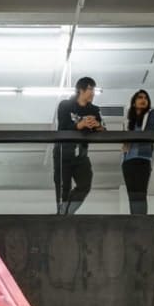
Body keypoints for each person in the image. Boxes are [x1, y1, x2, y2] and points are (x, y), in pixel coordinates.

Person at [54, 76, 106, 215]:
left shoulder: (94, 110)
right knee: (63, 188)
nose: (93, 93)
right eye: (90, 89)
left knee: (85, 184)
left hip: (81, 154)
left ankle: (66, 214)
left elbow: (103, 130)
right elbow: (63, 127)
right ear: (80, 90)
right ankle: (62, 216)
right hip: (63, 152)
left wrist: (97, 126)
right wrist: (79, 124)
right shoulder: (65, 105)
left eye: (94, 89)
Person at [122, 89, 154, 215]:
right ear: (134, 102)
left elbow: (151, 130)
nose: (143, 100)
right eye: (140, 97)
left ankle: (142, 222)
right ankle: (134, 220)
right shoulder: (128, 119)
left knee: (141, 193)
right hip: (127, 160)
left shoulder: (150, 113)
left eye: (146, 98)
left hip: (143, 158)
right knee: (131, 194)